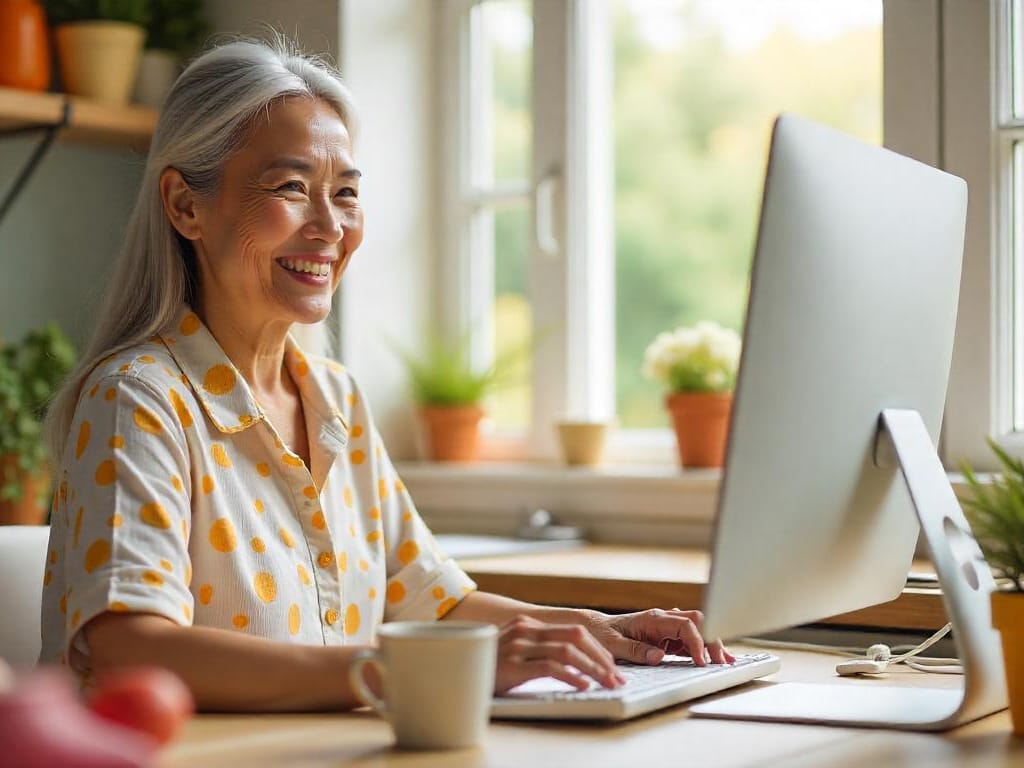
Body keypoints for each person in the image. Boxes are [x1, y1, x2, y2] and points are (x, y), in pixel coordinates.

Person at [40, 38, 731, 711]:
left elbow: (432, 595)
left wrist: (591, 630)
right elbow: (130, 650)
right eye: (290, 186)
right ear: (185, 205)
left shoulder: (332, 395)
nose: (330, 225)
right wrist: (405, 672)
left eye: (344, 192)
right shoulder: (139, 398)